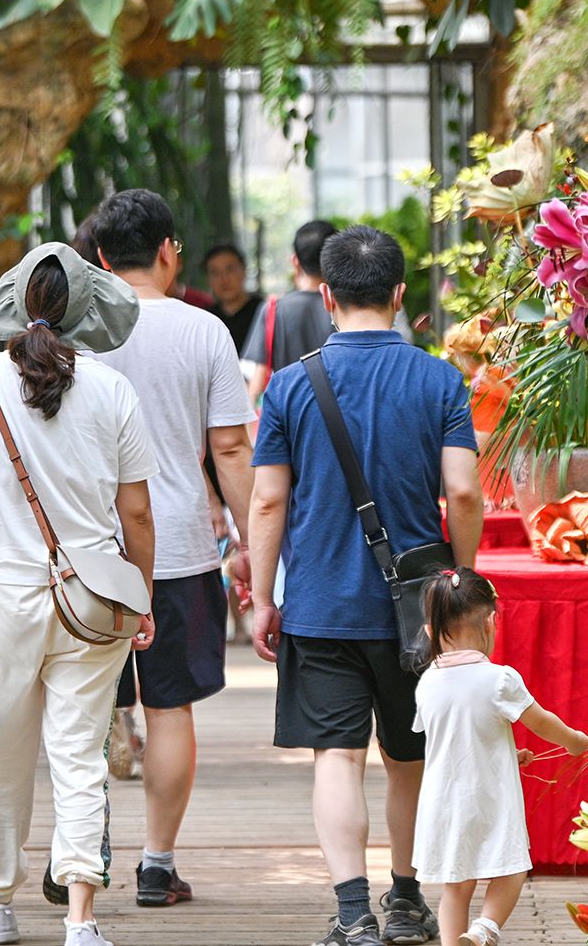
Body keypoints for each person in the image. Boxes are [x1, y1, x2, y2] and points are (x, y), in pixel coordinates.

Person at [247, 224, 484, 946]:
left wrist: (263, 598)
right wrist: (461, 579)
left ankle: (353, 913)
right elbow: (463, 491)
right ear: (400, 294)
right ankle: (406, 900)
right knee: (408, 757)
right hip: (418, 610)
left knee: (338, 757)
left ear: (327, 296)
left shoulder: (291, 385)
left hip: (321, 603)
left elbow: (267, 501)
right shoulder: (439, 380)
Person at [0, 242, 158, 946]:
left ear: (17, 302)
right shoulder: (114, 390)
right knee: (80, 755)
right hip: (91, 598)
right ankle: (81, 919)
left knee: (2, 753)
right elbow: (137, 513)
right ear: (84, 307)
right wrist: (143, 596)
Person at [88, 188, 258, 909]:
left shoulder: (74, 333)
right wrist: (255, 547)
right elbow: (230, 450)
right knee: (169, 710)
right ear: (168, 252)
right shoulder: (205, 330)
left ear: (101, 258)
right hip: (181, 549)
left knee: (80, 711)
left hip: (87, 555)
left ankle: (80, 854)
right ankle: (156, 866)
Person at [413, 568, 588, 946]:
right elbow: (541, 721)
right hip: (488, 798)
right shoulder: (499, 679)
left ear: (430, 630)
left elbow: (456, 736)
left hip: (442, 803)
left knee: (456, 886)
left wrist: (507, 752)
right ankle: (484, 929)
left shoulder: (426, 683)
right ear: (491, 622)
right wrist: (572, 740)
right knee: (511, 869)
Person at [242, 219, 338, 402]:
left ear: (295, 261)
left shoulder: (273, 309)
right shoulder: (346, 306)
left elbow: (258, 379)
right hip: (340, 412)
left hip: (291, 410)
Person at [204, 243, 263, 355]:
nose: (224, 279)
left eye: (230, 270)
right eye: (215, 273)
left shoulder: (262, 311)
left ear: (244, 271)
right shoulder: (206, 320)